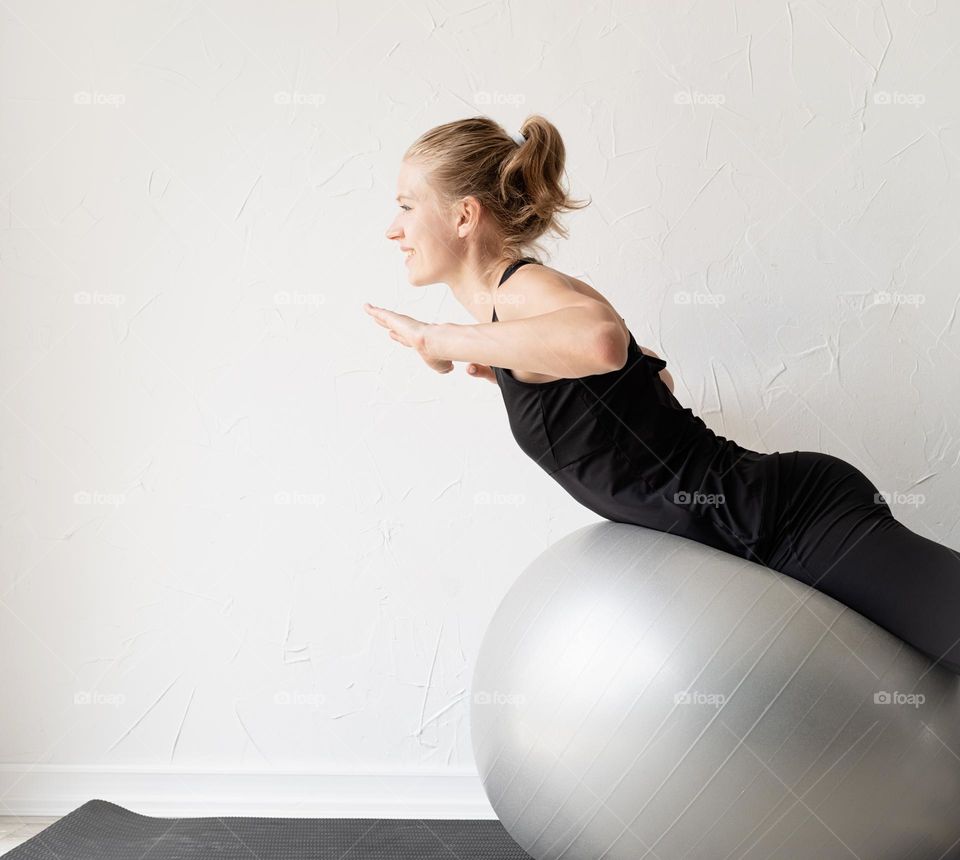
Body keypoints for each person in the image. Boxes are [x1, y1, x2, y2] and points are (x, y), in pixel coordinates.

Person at [366, 114, 960, 675]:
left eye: (405, 206)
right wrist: (527, 374)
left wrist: (436, 337)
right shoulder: (517, 317)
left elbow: (603, 344)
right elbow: (651, 377)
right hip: (756, 525)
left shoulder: (521, 291)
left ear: (464, 216)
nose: (393, 228)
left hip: (786, 517)